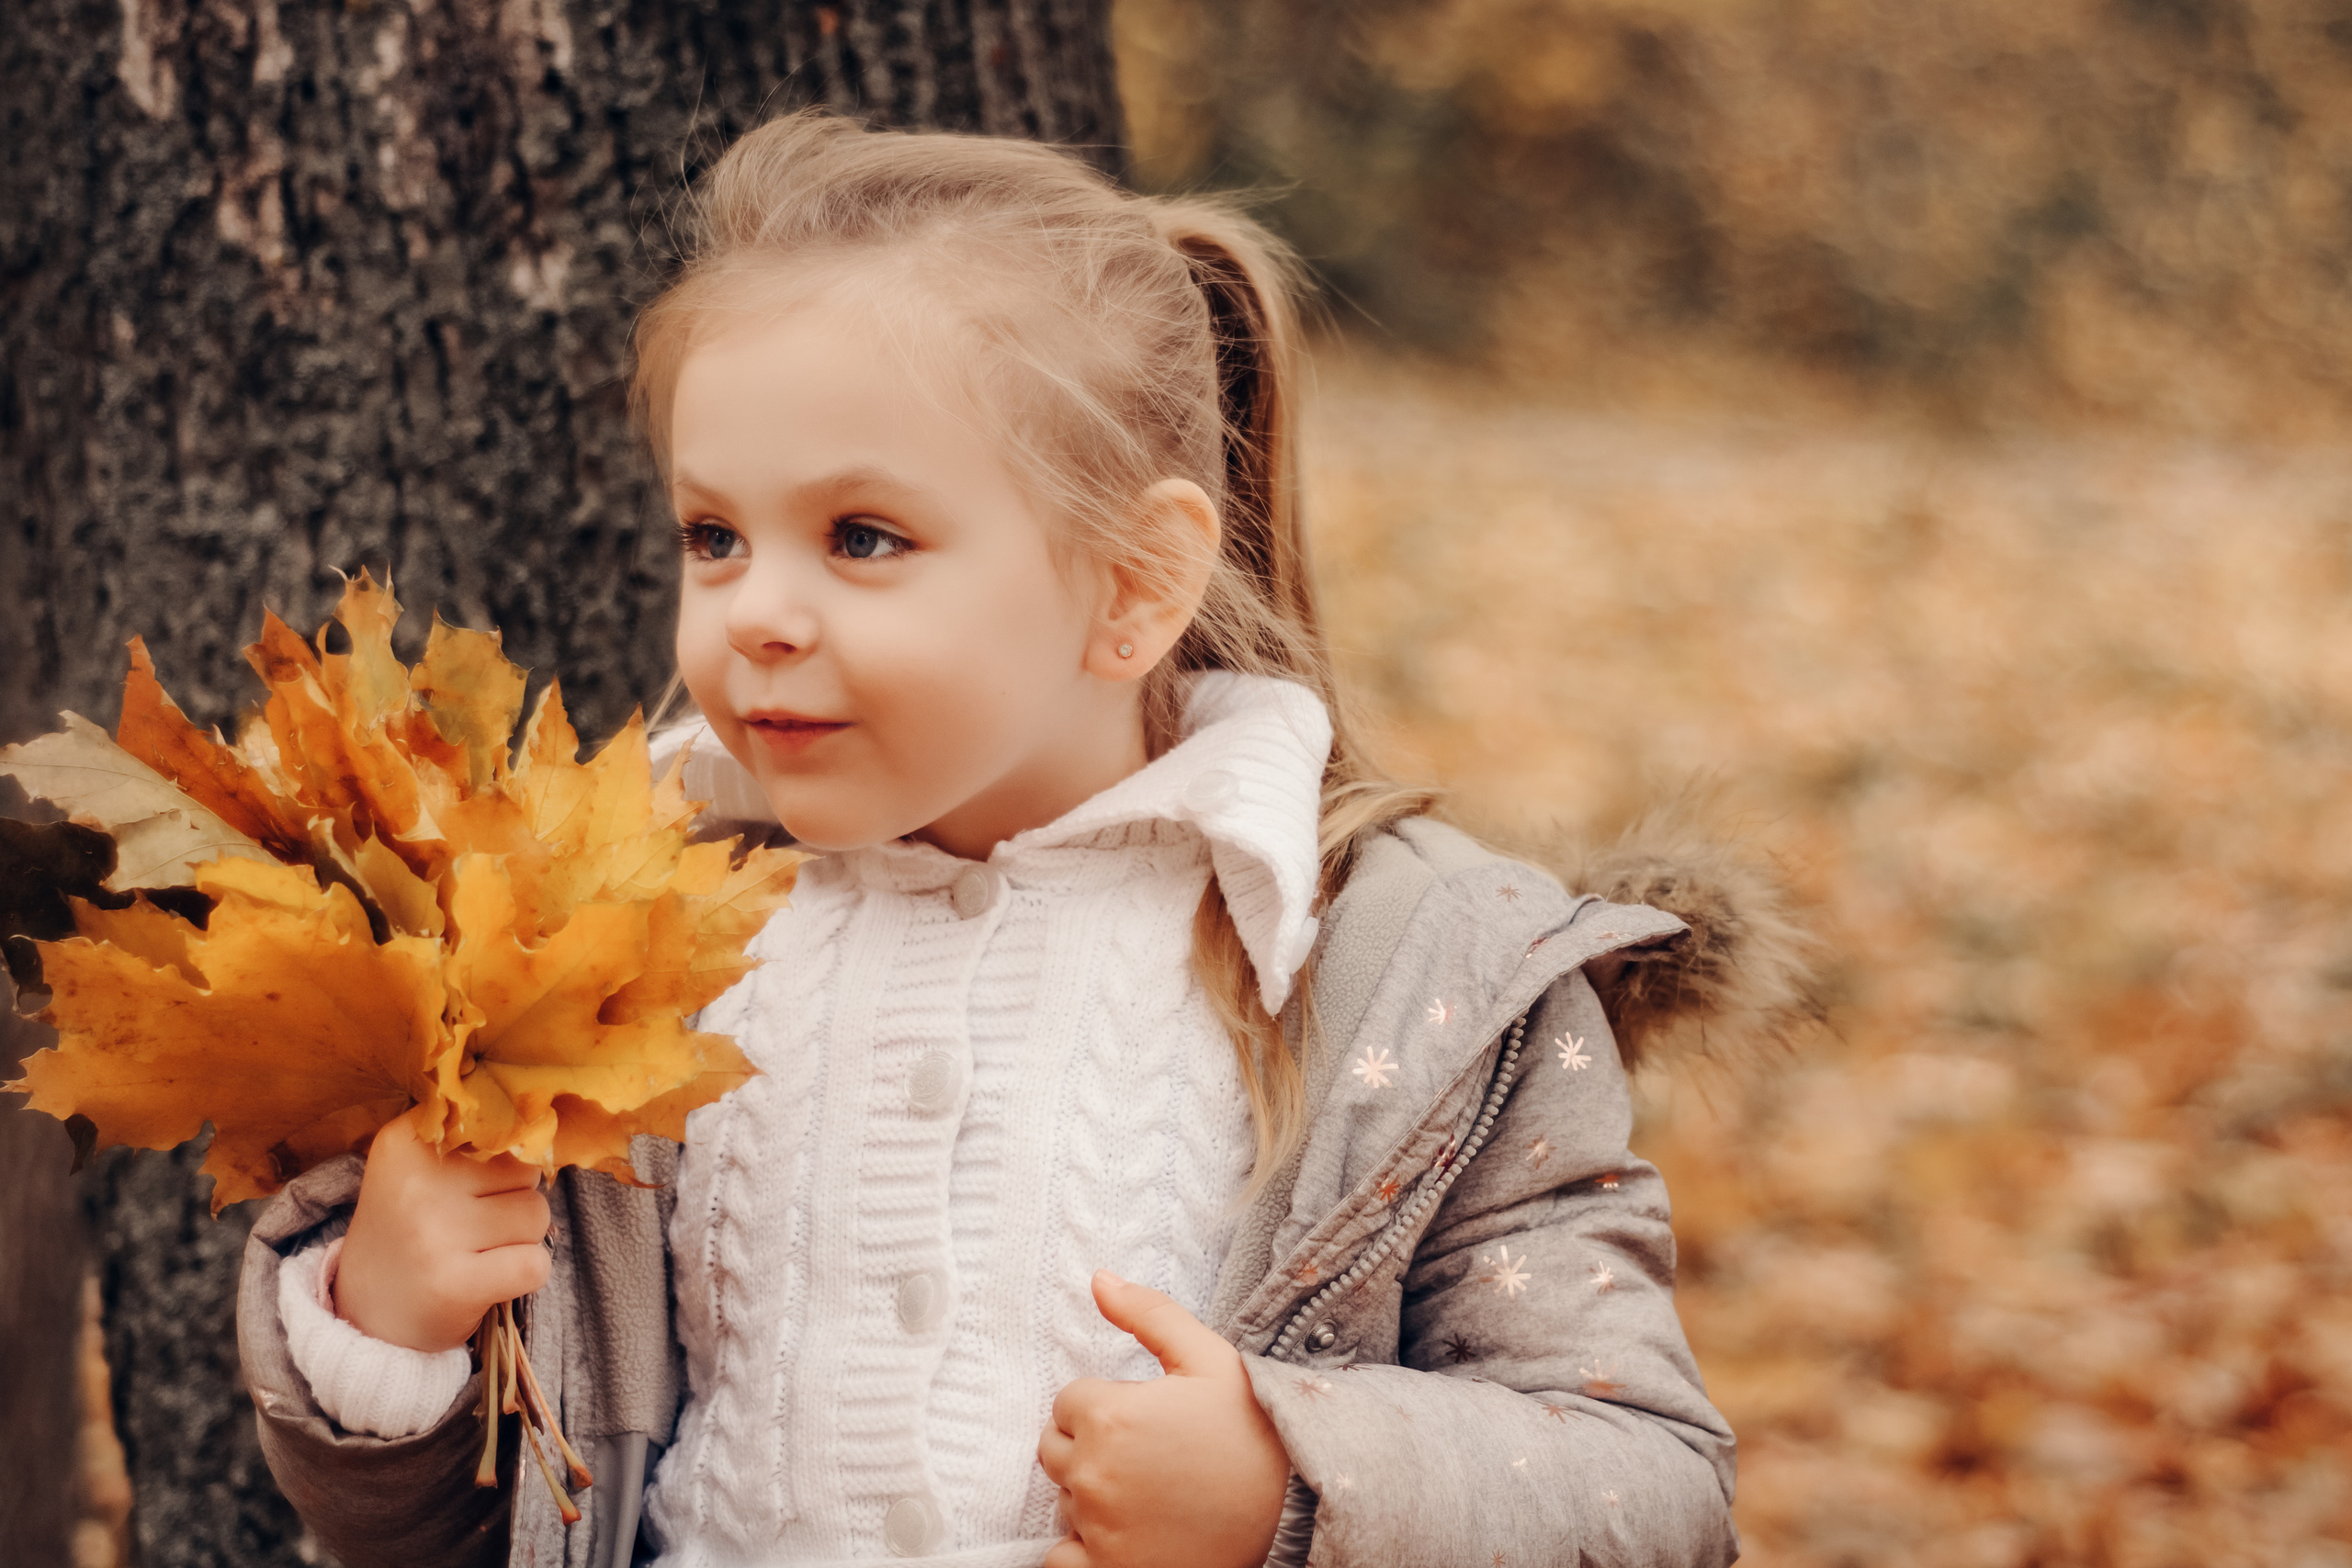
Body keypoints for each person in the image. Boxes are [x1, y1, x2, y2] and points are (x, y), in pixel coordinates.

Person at [237, 110, 1793, 1568]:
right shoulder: (599, 935)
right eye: (715, 535)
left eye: (864, 538)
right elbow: (453, 1529)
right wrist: (393, 1328)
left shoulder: (1399, 970)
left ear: (1131, 585)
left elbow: (1646, 1488)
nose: (759, 614)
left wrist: (1283, 1485)